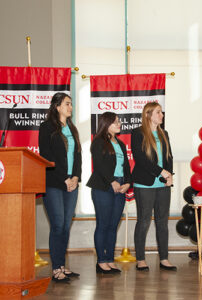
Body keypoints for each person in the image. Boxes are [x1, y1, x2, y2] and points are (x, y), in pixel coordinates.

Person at [39, 92, 82, 282]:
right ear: (57, 107)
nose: (70, 107)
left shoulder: (72, 129)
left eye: (71, 104)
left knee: (65, 226)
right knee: (57, 225)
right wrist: (65, 178)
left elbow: (78, 156)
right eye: (67, 104)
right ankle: (56, 268)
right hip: (54, 183)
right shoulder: (46, 127)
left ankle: (62, 266)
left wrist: (76, 177)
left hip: (71, 183)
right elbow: (47, 156)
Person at [131, 102, 176, 271]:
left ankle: (164, 258)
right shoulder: (138, 133)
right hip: (144, 183)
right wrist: (161, 172)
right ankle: (140, 259)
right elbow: (141, 159)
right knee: (143, 221)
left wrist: (169, 174)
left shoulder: (164, 133)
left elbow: (169, 156)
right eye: (158, 112)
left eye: (161, 113)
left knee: (162, 222)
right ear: (148, 115)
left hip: (163, 184)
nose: (161, 115)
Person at [87, 112, 131, 274]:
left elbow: (126, 166)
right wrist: (112, 180)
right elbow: (99, 165)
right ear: (106, 124)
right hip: (103, 187)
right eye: (115, 122)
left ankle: (110, 259)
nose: (119, 124)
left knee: (113, 226)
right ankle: (101, 261)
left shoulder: (120, 144)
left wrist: (127, 183)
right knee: (103, 224)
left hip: (120, 187)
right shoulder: (98, 142)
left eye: (119, 121)